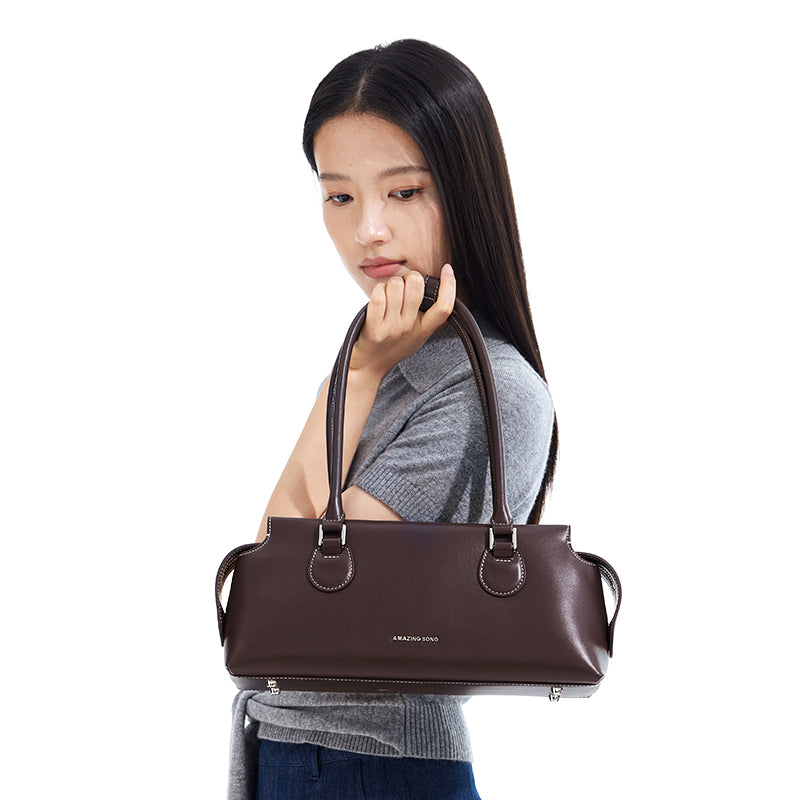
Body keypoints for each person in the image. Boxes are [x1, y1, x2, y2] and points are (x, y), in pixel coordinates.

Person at [227, 39, 557, 800]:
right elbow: (269, 568)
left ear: (466, 191)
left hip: (371, 766)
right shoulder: (383, 356)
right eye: (339, 196)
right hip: (307, 751)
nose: (367, 229)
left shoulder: (488, 391)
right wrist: (363, 368)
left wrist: (364, 370)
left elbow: (292, 593)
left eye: (403, 192)